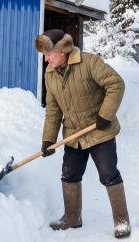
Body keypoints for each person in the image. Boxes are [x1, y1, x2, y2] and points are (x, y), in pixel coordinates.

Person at [34, 29, 130, 239]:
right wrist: (48, 139)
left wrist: (105, 114)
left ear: (61, 50)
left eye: (48, 54)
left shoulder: (89, 62)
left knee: (108, 174)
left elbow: (116, 84)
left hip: (99, 131)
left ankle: (122, 221)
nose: (46, 59)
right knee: (69, 174)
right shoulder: (50, 74)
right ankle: (72, 217)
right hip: (74, 135)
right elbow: (53, 109)